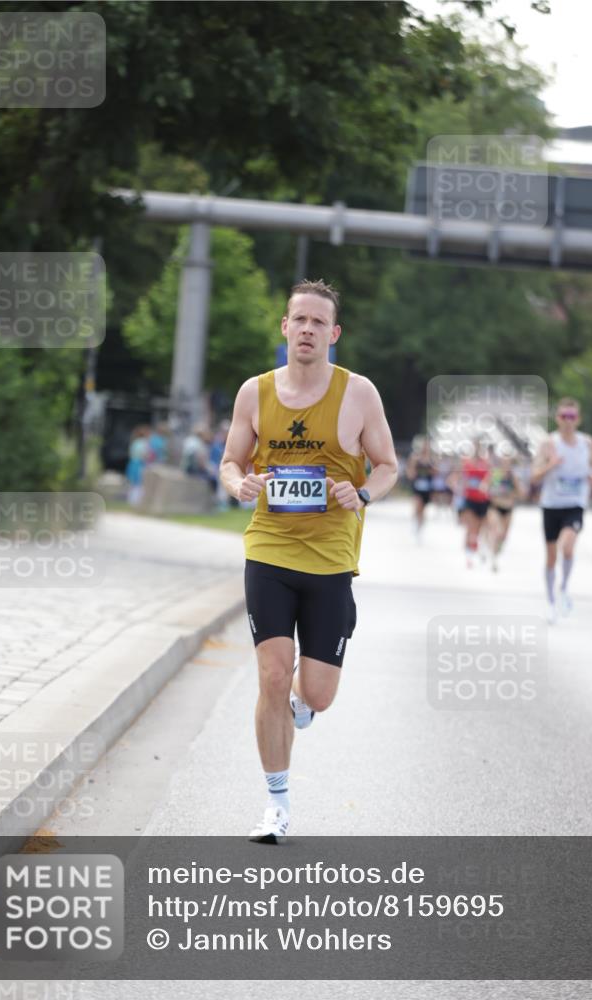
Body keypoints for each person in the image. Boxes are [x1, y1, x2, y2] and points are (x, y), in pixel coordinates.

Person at [220, 279, 398, 843]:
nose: (307, 330)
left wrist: (363, 492)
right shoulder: (255, 392)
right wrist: (239, 484)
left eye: (319, 323)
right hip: (269, 550)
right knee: (272, 676)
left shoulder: (359, 394)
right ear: (284, 327)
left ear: (334, 334)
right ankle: (276, 804)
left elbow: (388, 465)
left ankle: (304, 704)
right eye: (299, 319)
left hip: (330, 561)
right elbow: (229, 460)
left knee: (314, 693)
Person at [531, 398, 592, 624]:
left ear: (578, 419)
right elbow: (534, 476)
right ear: (557, 419)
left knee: (567, 546)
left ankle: (564, 589)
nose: (568, 421)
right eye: (564, 416)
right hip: (551, 505)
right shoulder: (549, 443)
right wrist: (551, 464)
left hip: (574, 503)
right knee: (551, 557)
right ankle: (550, 603)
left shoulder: (587, 443)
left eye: (572, 417)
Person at [487, 450, 523, 572]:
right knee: (497, 531)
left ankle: (497, 551)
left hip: (508, 508)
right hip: (495, 507)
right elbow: (484, 487)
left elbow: (521, 493)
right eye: (503, 462)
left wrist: (510, 493)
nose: (505, 464)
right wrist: (493, 491)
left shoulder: (513, 476)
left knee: (504, 536)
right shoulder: (495, 474)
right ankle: (493, 558)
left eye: (508, 462)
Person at [458, 440, 491, 568]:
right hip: (470, 500)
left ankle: (477, 549)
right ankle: (468, 556)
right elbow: (461, 478)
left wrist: (485, 485)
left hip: (482, 500)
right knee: (471, 528)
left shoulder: (486, 463)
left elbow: (490, 479)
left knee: (479, 530)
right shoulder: (466, 462)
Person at [406, 437, 435, 541]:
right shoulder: (415, 458)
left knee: (423, 510)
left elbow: (435, 473)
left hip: (427, 488)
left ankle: (420, 528)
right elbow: (410, 471)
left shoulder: (431, 459)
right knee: (417, 505)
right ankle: (414, 523)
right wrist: (412, 474)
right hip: (417, 486)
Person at [125, 425, 151, 506]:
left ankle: (130, 500)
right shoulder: (144, 443)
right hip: (139, 464)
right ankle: (136, 501)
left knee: (132, 483)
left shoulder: (135, 442)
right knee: (138, 483)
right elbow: (145, 455)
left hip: (132, 463)